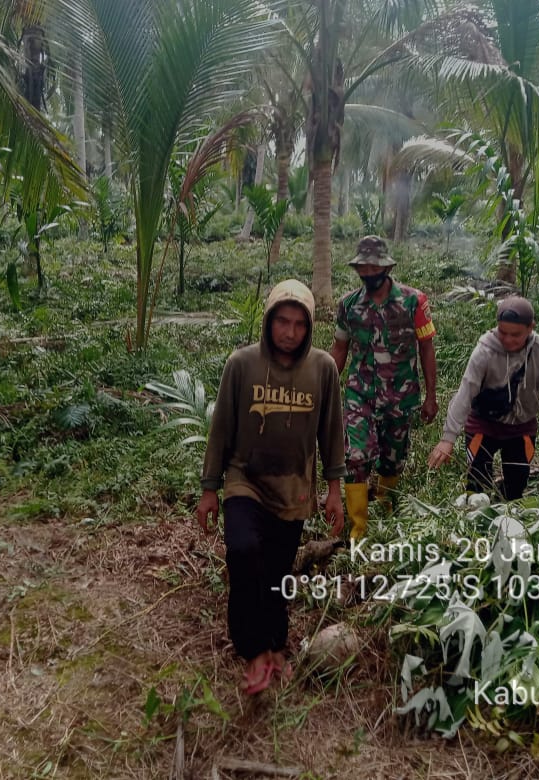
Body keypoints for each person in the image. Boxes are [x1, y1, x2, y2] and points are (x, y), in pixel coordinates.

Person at [197, 279, 346, 695]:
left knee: (278, 574)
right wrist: (210, 489)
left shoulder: (323, 369)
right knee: (243, 553)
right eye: (283, 321)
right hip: (245, 479)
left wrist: (334, 490)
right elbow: (221, 428)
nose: (290, 332)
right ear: (269, 320)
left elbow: (332, 434)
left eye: (300, 324)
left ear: (309, 326)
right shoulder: (241, 364)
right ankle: (252, 649)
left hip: (294, 489)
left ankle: (276, 647)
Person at [330, 235, 437, 540]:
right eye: (362, 268)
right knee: (355, 456)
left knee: (393, 457)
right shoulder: (348, 305)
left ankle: (387, 508)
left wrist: (431, 396)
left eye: (373, 268)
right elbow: (339, 349)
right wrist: (323, 386)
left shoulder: (414, 301)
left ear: (387, 267)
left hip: (400, 396)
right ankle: (357, 530)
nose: (368, 274)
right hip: (359, 394)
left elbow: (426, 348)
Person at [427, 295, 539, 498]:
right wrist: (448, 438)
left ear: (531, 327)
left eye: (515, 334)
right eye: (503, 332)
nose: (508, 340)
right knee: (477, 486)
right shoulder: (484, 351)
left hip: (522, 426)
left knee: (516, 487)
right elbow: (465, 393)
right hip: (484, 424)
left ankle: (505, 518)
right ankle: (478, 523)